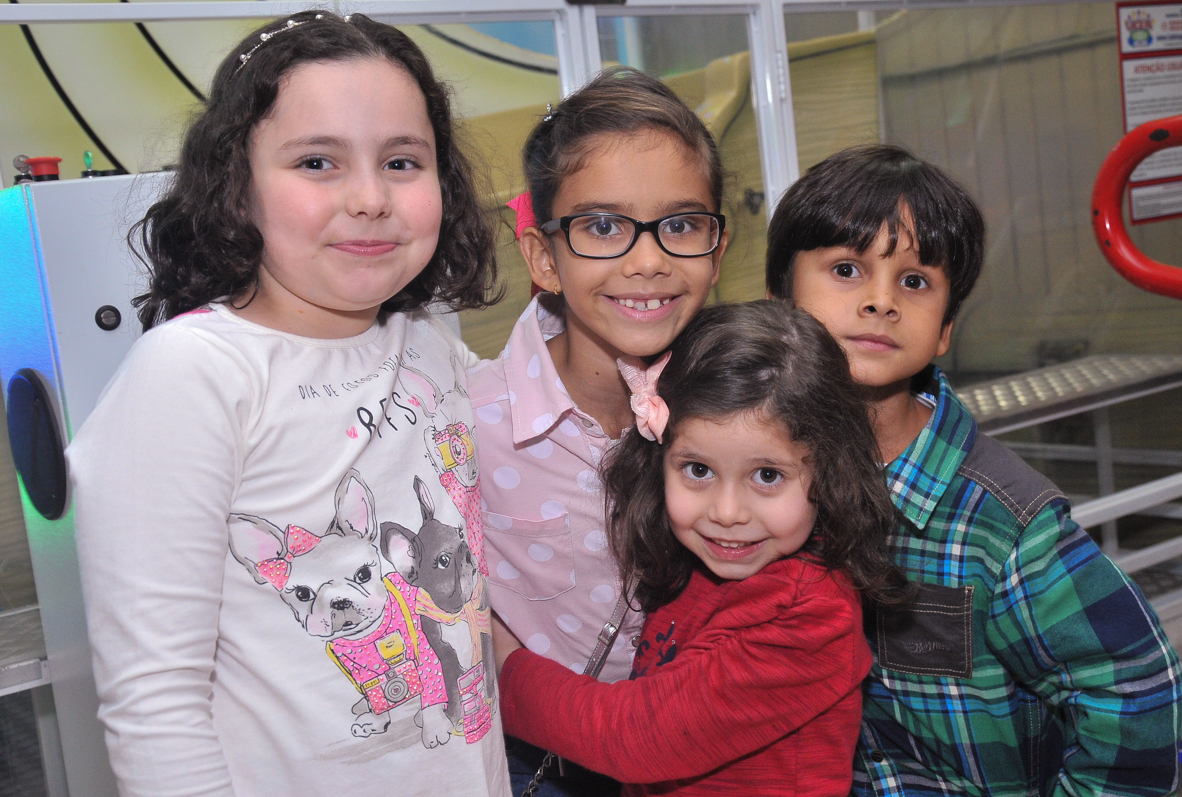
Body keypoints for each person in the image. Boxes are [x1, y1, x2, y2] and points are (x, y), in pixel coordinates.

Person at [67, 13, 509, 796]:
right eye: (317, 161)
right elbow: (153, 705)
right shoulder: (193, 374)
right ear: (237, 185)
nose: (371, 197)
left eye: (403, 160)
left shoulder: (426, 340)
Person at [766, 143, 1182, 797]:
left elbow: (1136, 689)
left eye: (914, 281)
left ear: (945, 331)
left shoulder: (1001, 526)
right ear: (778, 304)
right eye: (846, 268)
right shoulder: (756, 486)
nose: (881, 301)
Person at [491, 299, 913, 796]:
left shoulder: (811, 614)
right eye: (698, 470)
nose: (727, 512)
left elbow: (633, 738)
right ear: (659, 459)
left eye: (768, 475)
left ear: (828, 473)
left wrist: (504, 668)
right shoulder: (694, 565)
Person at [467, 68, 729, 796]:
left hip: (701, 756)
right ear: (545, 257)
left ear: (717, 247)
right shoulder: (468, 421)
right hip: (533, 765)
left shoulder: (741, 411)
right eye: (603, 226)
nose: (647, 260)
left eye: (680, 224)